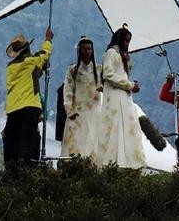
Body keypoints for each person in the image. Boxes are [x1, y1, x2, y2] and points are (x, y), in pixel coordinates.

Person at [2, 27, 53, 171]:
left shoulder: (10, 67)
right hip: (30, 106)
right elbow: (44, 54)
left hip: (13, 107)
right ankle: (27, 169)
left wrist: (39, 70)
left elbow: (28, 77)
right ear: (27, 48)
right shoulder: (31, 62)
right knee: (27, 140)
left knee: (12, 140)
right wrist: (48, 40)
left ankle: (11, 169)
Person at [95, 26, 146, 169]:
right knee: (115, 127)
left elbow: (123, 74)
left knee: (127, 127)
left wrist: (128, 63)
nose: (127, 44)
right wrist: (129, 85)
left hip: (124, 96)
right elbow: (108, 74)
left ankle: (127, 160)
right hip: (114, 95)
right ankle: (113, 161)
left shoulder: (122, 55)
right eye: (126, 40)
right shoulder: (110, 53)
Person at [60, 37, 103, 160]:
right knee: (75, 142)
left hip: (94, 112)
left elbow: (106, 85)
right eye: (84, 49)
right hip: (77, 112)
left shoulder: (99, 69)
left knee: (93, 142)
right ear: (80, 51)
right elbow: (67, 90)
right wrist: (69, 110)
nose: (87, 51)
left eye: (89, 49)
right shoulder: (72, 70)